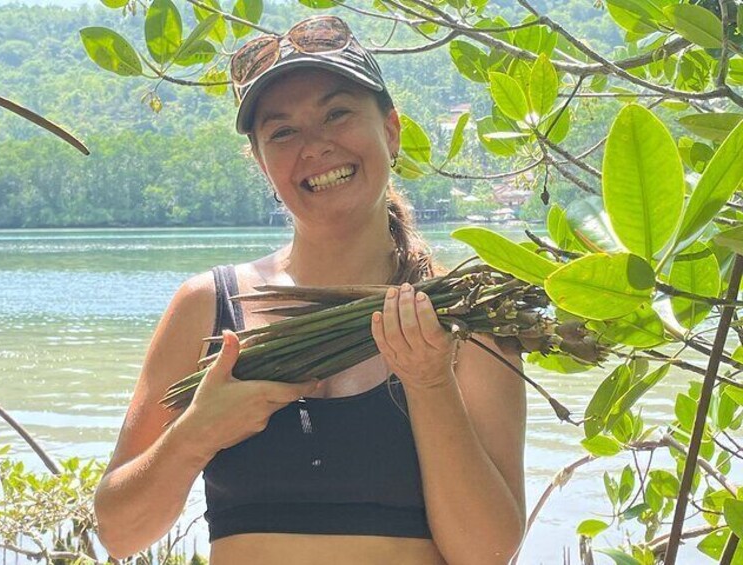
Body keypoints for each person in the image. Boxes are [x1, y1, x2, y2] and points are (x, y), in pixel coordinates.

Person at [94, 15, 526, 565]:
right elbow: (118, 533)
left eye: (337, 114)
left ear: (391, 131)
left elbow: (487, 555)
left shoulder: (465, 317)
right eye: (282, 132)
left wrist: (429, 382)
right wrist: (197, 434)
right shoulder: (208, 307)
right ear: (262, 162)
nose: (315, 146)